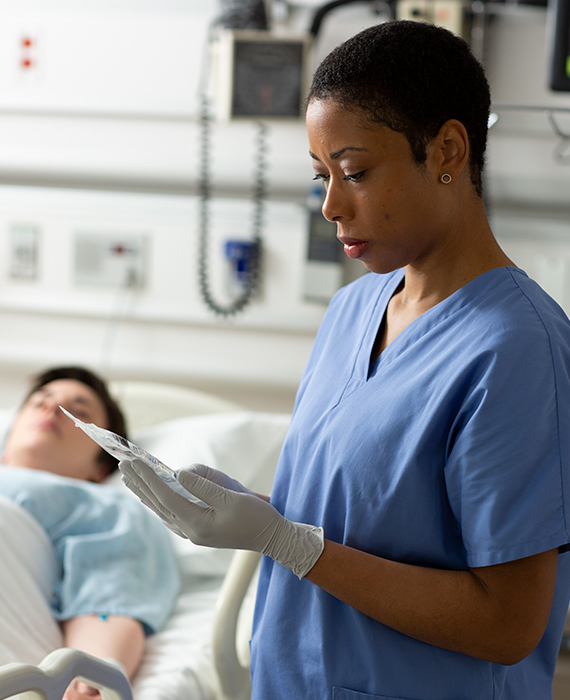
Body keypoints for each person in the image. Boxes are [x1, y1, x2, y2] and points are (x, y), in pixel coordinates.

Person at [120, 20, 570, 699]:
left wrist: (289, 543)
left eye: (355, 172)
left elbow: (507, 624)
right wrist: (256, 517)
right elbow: (373, 520)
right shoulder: (353, 313)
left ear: (447, 148)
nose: (330, 205)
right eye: (321, 175)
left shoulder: (516, 351)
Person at [0, 366, 179, 700]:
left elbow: (109, 600)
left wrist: (86, 680)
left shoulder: (105, 508)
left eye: (77, 412)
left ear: (100, 467)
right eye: (39, 401)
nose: (52, 408)